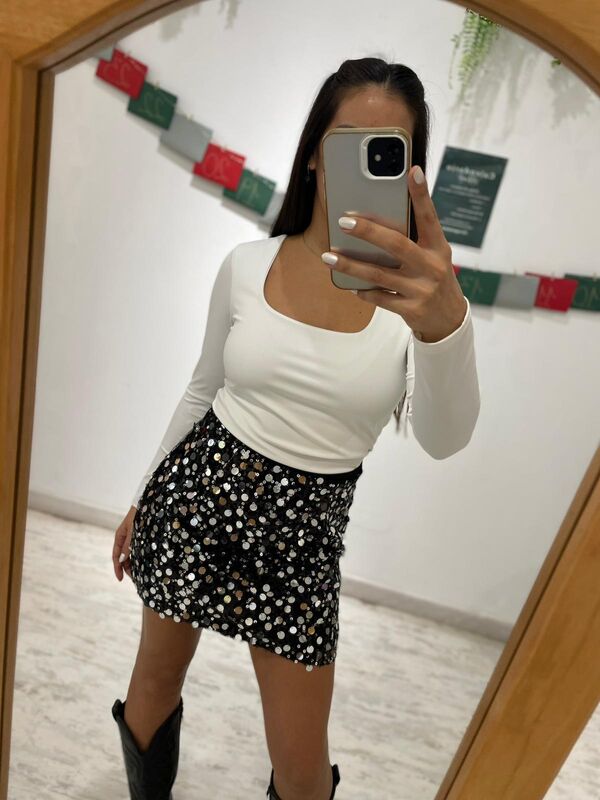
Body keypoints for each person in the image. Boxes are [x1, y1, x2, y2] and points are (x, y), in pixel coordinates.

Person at [110, 56, 481, 800]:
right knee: (153, 683)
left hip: (304, 542)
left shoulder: (420, 302)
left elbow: (445, 440)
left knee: (302, 763)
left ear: (414, 169)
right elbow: (202, 389)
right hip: (197, 498)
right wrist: (143, 496)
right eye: (348, 142)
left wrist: (448, 326)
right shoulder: (248, 265)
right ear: (315, 152)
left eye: (389, 149)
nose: (367, 163)